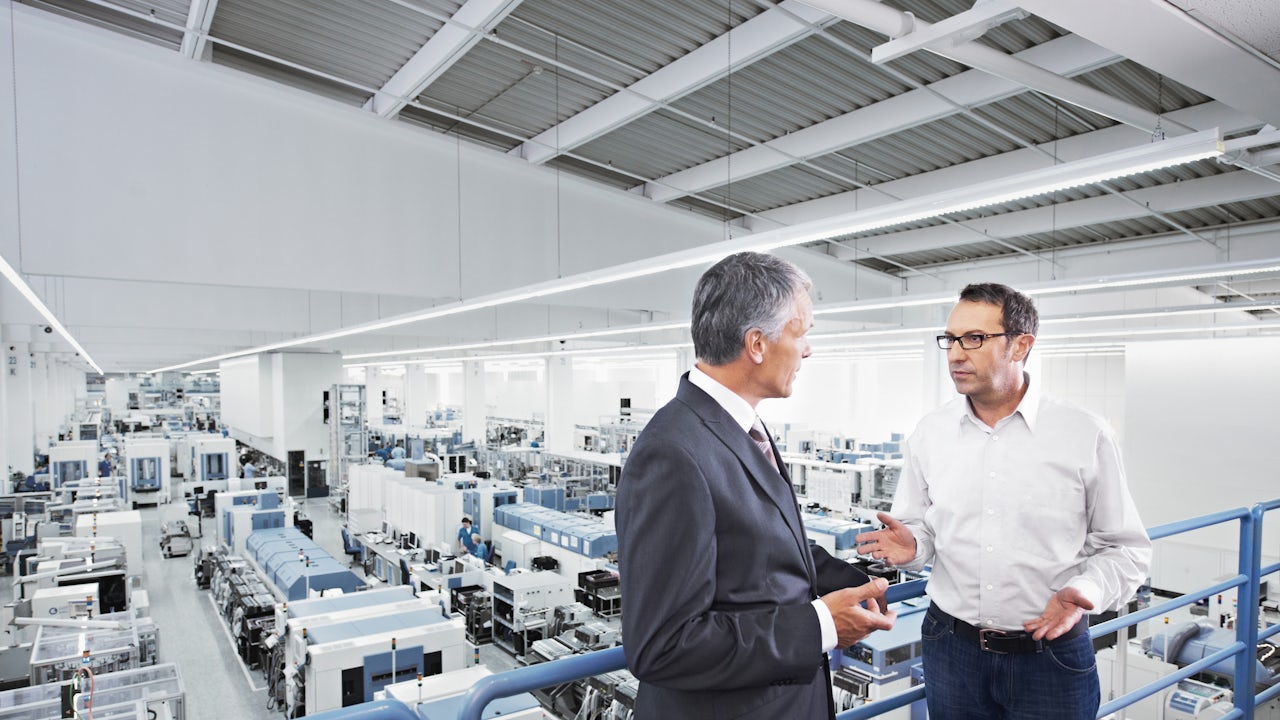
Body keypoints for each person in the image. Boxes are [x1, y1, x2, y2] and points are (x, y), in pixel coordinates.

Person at [615, 251, 895, 720]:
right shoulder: (673, 453)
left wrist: (860, 579)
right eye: (801, 332)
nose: (808, 350)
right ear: (757, 344)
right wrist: (822, 625)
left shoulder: (739, 427)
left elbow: (759, 547)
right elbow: (662, 645)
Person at [856, 283, 1152, 720]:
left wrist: (1085, 590)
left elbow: (1126, 548)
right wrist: (915, 548)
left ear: (1021, 346)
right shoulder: (930, 434)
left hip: (1049, 651)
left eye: (974, 338)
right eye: (951, 339)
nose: (956, 354)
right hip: (951, 648)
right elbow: (921, 528)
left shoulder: (1083, 434)